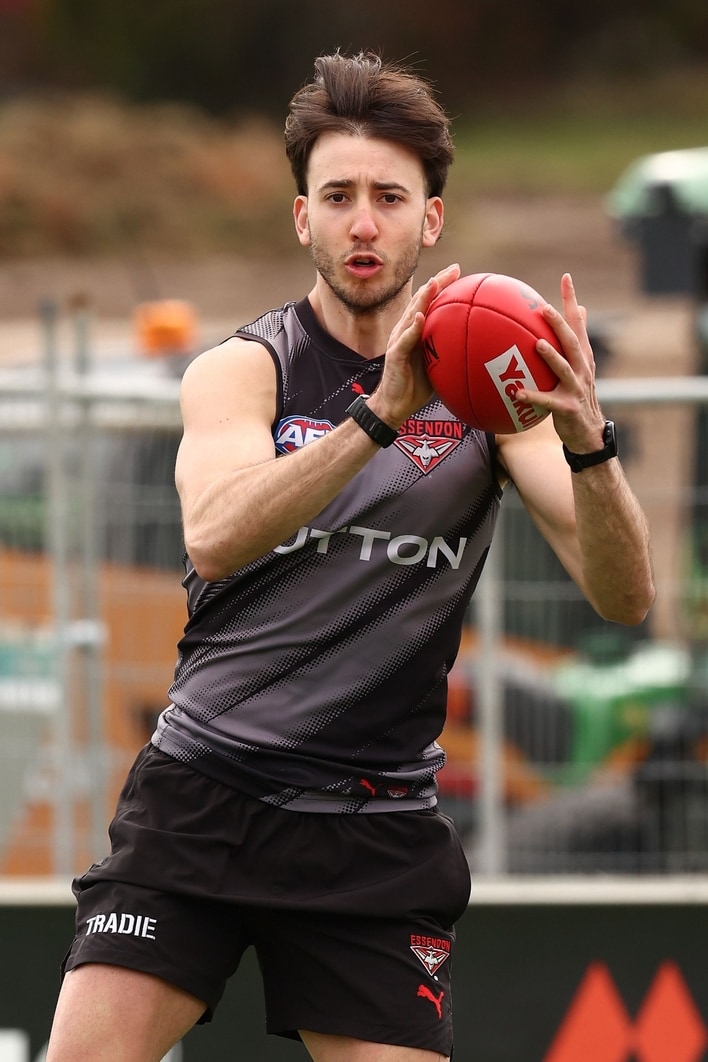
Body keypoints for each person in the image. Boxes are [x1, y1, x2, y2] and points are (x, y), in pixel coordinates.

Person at [46, 50, 655, 1062]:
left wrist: (590, 442)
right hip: (204, 796)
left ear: (431, 221)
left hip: (374, 829)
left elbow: (625, 596)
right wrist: (378, 419)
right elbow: (216, 535)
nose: (362, 223)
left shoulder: (488, 397)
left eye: (388, 197)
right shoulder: (246, 369)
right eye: (337, 197)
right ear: (303, 219)